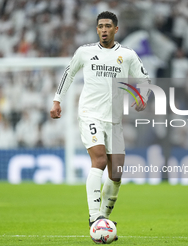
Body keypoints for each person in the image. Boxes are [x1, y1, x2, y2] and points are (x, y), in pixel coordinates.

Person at [50, 11, 151, 233]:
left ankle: (103, 218)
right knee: (99, 160)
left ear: (116, 29)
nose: (104, 29)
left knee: (116, 175)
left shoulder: (128, 55)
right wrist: (57, 101)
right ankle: (94, 217)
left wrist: (143, 96)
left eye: (108, 26)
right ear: (97, 29)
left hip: (114, 121)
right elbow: (69, 73)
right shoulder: (85, 52)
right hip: (90, 114)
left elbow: (145, 80)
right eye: (100, 26)